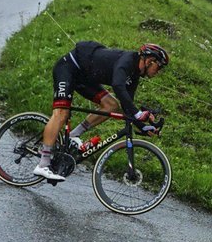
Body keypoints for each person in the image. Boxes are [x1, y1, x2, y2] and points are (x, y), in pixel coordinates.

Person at [34, 41, 170, 182]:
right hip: (68, 68)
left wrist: (143, 126)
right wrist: (138, 114)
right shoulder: (128, 61)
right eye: (158, 67)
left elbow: (127, 105)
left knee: (111, 105)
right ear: (149, 60)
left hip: (84, 77)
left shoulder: (134, 75)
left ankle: (74, 135)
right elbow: (118, 85)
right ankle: (43, 164)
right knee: (61, 113)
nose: (158, 72)